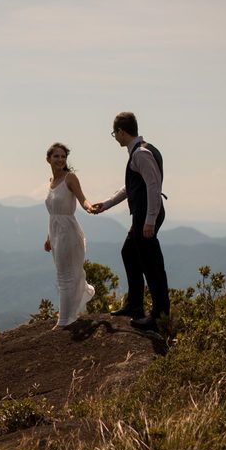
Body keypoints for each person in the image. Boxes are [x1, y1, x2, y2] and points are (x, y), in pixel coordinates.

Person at [91, 112, 170, 330]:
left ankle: (159, 315)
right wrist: (106, 204)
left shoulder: (141, 153)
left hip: (146, 214)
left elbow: (154, 186)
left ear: (121, 132)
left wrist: (150, 221)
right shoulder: (140, 151)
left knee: (151, 264)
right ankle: (135, 304)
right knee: (129, 253)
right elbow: (132, 187)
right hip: (144, 213)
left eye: (114, 133)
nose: (114, 137)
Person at [44, 142, 96, 329]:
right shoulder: (51, 182)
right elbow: (53, 212)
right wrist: (49, 237)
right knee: (62, 275)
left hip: (69, 232)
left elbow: (82, 199)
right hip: (56, 233)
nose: (60, 159)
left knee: (65, 276)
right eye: (56, 156)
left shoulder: (70, 178)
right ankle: (71, 311)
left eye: (63, 156)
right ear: (48, 159)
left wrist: (89, 207)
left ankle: (64, 321)